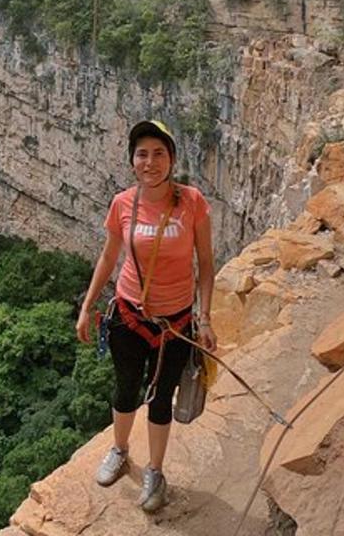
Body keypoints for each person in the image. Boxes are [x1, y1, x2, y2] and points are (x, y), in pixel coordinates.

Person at [75, 119, 216, 512]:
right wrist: (87, 307)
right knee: (125, 388)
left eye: (158, 153)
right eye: (142, 154)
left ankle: (154, 470)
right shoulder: (123, 203)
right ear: (132, 160)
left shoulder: (192, 202)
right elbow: (108, 257)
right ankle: (120, 450)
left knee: (160, 397)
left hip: (176, 321)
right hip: (129, 314)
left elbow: (206, 263)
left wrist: (205, 318)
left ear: (171, 159)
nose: (150, 162)